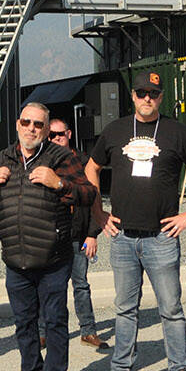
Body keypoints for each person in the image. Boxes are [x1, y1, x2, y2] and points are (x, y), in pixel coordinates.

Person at [84, 71, 186, 371]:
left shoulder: (176, 132)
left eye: (154, 93)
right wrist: (98, 213)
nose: (147, 98)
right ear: (133, 95)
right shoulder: (115, 130)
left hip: (161, 238)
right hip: (123, 238)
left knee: (170, 309)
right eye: (142, 92)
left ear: (161, 97)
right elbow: (91, 168)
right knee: (125, 309)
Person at [0, 103, 97, 371]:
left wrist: (59, 183)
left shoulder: (60, 158)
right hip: (15, 260)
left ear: (45, 130)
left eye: (38, 124)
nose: (31, 128)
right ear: (18, 124)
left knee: (55, 322)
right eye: (26, 122)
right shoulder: (3, 158)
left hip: (53, 259)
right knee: (24, 324)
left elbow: (88, 194)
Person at [47, 116, 108, 351]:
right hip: (53, 236)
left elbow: (94, 198)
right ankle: (44, 333)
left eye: (60, 134)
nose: (56, 138)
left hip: (79, 235)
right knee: (51, 287)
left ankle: (88, 331)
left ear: (69, 134)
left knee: (81, 284)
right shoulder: (44, 163)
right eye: (51, 135)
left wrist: (92, 234)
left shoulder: (84, 163)